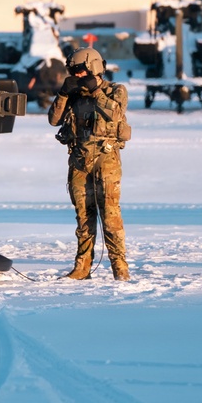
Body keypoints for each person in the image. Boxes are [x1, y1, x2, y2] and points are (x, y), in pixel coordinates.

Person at [48, 47, 132, 281]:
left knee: (110, 216)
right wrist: (64, 94)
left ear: (93, 68)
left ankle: (120, 268)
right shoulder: (74, 95)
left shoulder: (116, 91)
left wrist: (95, 91)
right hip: (79, 160)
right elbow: (54, 120)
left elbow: (113, 113)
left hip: (106, 162)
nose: (78, 77)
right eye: (74, 73)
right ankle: (82, 266)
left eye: (81, 72)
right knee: (84, 217)